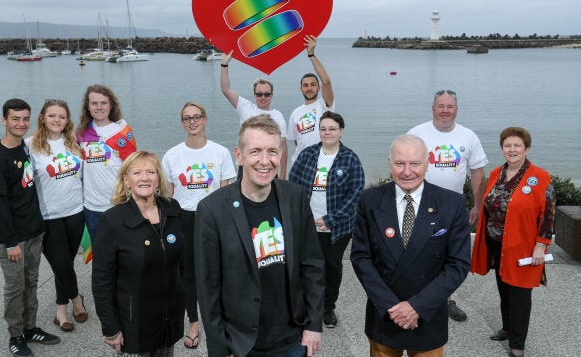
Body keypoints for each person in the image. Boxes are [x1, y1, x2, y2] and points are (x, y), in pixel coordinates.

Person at [195, 114, 324, 357]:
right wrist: (220, 350)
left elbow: (312, 265)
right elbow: (207, 288)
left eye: (272, 152)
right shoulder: (212, 210)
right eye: (255, 151)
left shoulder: (295, 197)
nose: (265, 161)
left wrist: (314, 325)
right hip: (242, 345)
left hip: (293, 340)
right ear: (239, 155)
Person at [351, 134, 471, 356]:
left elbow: (458, 264)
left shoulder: (451, 204)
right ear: (390, 164)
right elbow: (361, 258)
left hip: (428, 316)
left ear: (427, 164)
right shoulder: (370, 201)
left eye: (415, 163)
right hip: (385, 314)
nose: (407, 171)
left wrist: (417, 307)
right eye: (400, 163)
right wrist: (391, 307)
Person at [471, 127, 555, 357]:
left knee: (519, 295)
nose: (512, 149)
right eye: (508, 145)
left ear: (526, 148)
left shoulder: (540, 177)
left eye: (517, 145)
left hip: (522, 247)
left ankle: (517, 346)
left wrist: (541, 245)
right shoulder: (497, 173)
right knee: (504, 288)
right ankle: (507, 328)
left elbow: (548, 215)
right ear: (502, 149)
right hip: (497, 245)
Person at [0, 98, 60, 357]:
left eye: (25, 118)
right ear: (4, 120)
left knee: (31, 282)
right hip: (12, 237)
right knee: (15, 287)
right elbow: (0, 202)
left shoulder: (24, 147)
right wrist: (10, 242)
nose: (21, 123)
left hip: (33, 230)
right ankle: (16, 336)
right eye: (15, 118)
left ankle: (30, 328)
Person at [92, 151, 185, 356]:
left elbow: (182, 264)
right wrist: (110, 328)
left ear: (159, 179)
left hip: (169, 320)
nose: (145, 178)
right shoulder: (113, 220)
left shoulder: (172, 209)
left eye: (151, 172)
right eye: (137, 173)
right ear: (126, 181)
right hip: (133, 325)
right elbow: (101, 280)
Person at [407, 89, 488, 322]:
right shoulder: (417, 133)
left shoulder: (468, 136)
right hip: (420, 204)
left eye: (449, 106)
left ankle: (445, 299)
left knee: (450, 255)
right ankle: (417, 297)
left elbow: (477, 172)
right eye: (440, 106)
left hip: (453, 208)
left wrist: (477, 204)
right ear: (433, 109)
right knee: (417, 251)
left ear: (456, 109)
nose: (445, 111)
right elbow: (402, 166)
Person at [161, 102, 236, 349]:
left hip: (212, 218)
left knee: (217, 272)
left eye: (197, 117)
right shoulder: (172, 155)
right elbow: (168, 195)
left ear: (205, 119)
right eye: (187, 118)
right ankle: (193, 322)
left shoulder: (220, 153)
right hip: (183, 218)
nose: (192, 121)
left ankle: (222, 320)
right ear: (182, 123)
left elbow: (226, 194)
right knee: (188, 275)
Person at [288, 111, 365, 329]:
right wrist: (300, 217)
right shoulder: (307, 155)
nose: (327, 132)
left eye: (332, 129)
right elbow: (292, 186)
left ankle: (328, 307)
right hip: (307, 225)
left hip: (338, 227)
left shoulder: (350, 159)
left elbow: (354, 195)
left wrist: (330, 219)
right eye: (323, 129)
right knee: (306, 266)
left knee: (331, 267)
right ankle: (306, 304)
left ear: (341, 131)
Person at [27, 99, 88, 332]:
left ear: (67, 121)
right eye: (51, 116)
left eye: (61, 117)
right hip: (47, 216)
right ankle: (77, 300)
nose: (56, 120)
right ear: (42, 118)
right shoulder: (29, 146)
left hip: (75, 212)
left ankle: (60, 312)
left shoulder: (74, 143)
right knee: (60, 265)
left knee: (66, 264)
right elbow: (19, 179)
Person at [76, 84, 137, 243]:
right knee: (100, 255)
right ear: (87, 107)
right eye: (94, 103)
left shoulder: (122, 132)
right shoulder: (81, 133)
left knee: (124, 252)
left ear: (111, 106)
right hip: (92, 207)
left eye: (103, 103)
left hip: (119, 204)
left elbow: (134, 169)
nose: (99, 107)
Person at [220, 51, 288, 179]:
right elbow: (225, 89)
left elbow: (282, 146)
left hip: (269, 166)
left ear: (272, 95)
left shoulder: (278, 115)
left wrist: (283, 174)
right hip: (246, 166)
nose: (263, 97)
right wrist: (224, 64)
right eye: (259, 94)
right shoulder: (244, 107)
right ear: (254, 95)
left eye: (267, 94)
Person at [288, 35, 335, 167]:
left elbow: (326, 81)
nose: (309, 88)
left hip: (322, 165)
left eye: (313, 84)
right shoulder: (295, 113)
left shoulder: (325, 105)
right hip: (299, 167)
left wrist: (311, 54)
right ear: (301, 89)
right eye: (305, 85)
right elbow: (297, 142)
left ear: (319, 88)